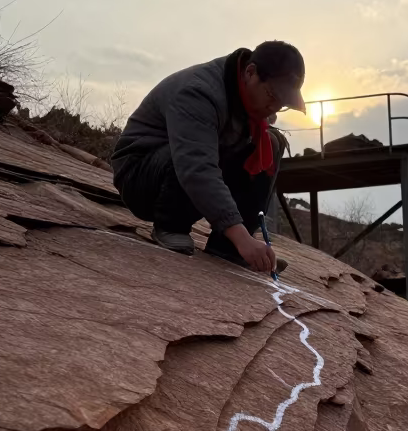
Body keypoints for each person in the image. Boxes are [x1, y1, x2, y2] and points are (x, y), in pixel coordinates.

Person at [111, 42, 306, 274]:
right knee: (197, 150)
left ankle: (227, 248)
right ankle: (170, 226)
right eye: (272, 95)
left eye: (283, 104)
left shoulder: (248, 103)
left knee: (271, 143)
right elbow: (197, 166)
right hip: (141, 175)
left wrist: (243, 238)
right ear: (250, 72)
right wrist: (242, 237)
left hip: (181, 168)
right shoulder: (199, 92)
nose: (273, 108)